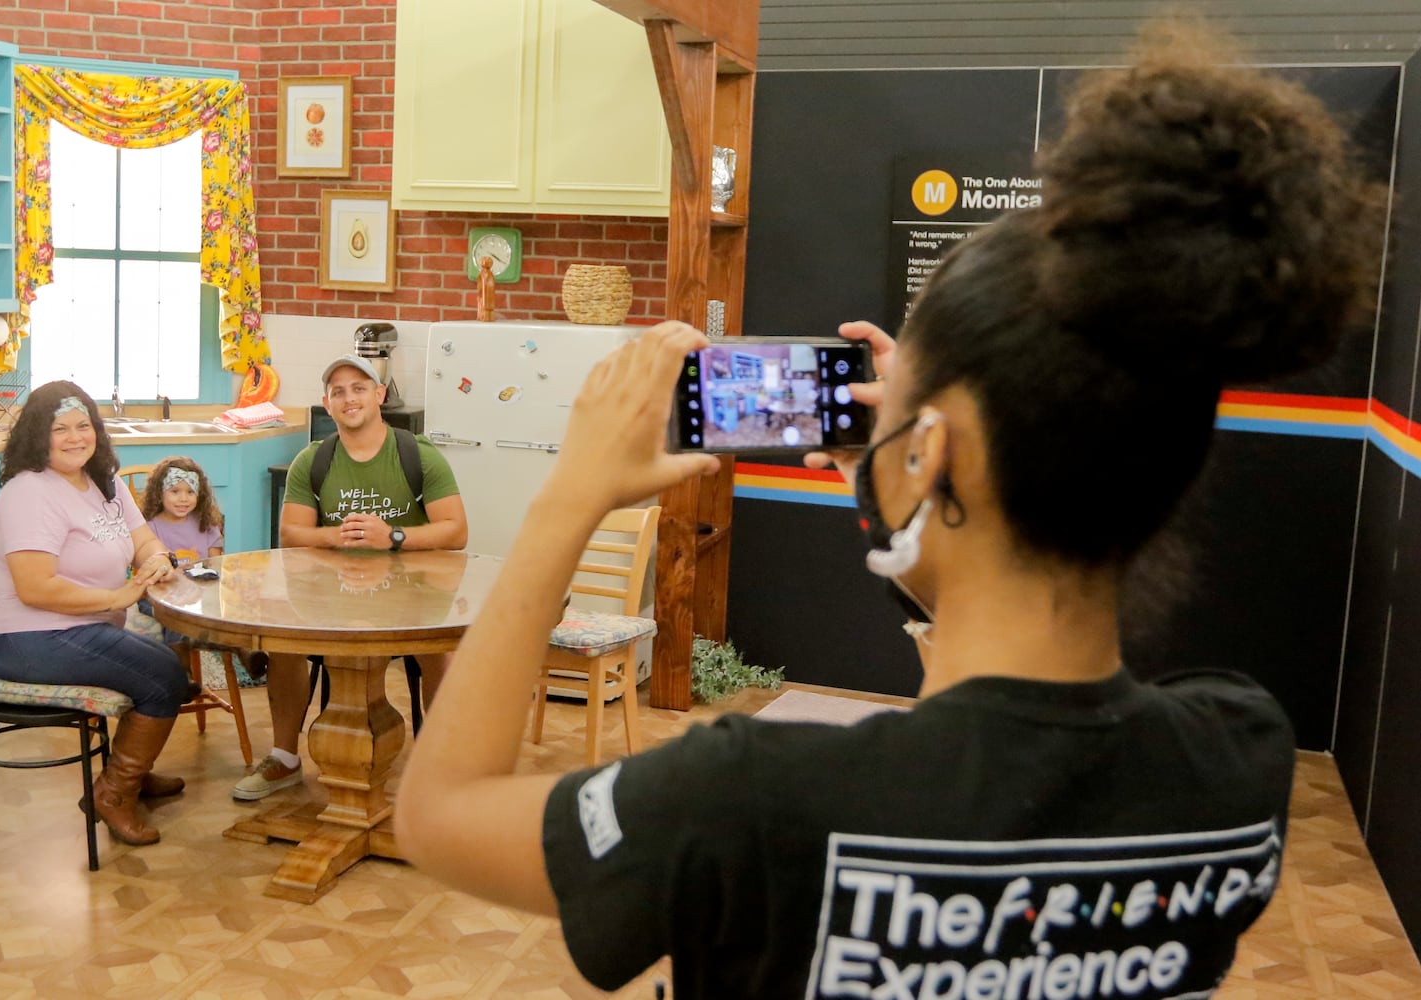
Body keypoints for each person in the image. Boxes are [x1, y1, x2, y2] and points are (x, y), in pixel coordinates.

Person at [391, 23, 1385, 998]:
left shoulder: (753, 798)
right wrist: (905, 485)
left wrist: (567, 497)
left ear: (933, 451)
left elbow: (440, 813)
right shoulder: (1233, 761)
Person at [231, 353, 468, 801]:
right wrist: (335, 535)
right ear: (327, 402)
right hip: (330, 595)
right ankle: (284, 757)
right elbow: (291, 533)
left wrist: (391, 536)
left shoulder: (418, 454)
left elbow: (456, 531)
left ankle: (443, 762)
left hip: (412, 593)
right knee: (283, 641)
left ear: (379, 396)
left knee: (441, 646)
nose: (348, 398)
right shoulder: (313, 460)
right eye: (338, 391)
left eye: (359, 388)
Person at [0, 381, 192, 847]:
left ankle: (133, 768)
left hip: (78, 626)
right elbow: (35, 589)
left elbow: (143, 539)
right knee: (163, 677)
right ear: (38, 436)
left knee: (170, 668)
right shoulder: (30, 493)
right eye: (60, 429)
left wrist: (155, 559)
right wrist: (118, 598)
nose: (76, 437)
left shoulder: (103, 481)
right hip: (26, 637)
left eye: (83, 425)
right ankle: (114, 793)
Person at [135, 456, 269, 680]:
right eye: (175, 491)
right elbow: (145, 568)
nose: (183, 499)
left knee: (225, 608)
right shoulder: (150, 528)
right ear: (160, 493)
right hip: (157, 597)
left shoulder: (206, 525)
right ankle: (182, 672)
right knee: (178, 615)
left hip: (200, 593)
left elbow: (216, 565)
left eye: (190, 492)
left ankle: (244, 649)